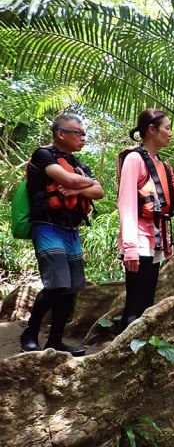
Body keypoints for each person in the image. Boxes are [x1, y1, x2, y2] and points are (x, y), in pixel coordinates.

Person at [20, 114, 104, 355]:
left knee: (72, 287)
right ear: (61, 134)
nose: (83, 138)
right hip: (47, 226)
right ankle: (31, 332)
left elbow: (100, 192)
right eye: (78, 132)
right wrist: (84, 183)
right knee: (56, 285)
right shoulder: (43, 155)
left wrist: (81, 184)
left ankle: (55, 340)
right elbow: (66, 179)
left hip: (71, 229)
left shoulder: (77, 163)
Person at [117, 108, 174, 332]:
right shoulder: (134, 159)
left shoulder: (158, 162)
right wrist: (130, 248)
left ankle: (142, 350)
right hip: (138, 241)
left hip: (155, 241)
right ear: (151, 130)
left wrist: (166, 243)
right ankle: (123, 353)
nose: (171, 133)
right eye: (167, 128)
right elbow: (125, 202)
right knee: (134, 305)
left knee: (146, 303)